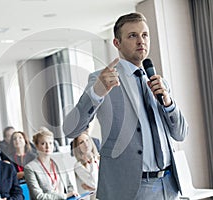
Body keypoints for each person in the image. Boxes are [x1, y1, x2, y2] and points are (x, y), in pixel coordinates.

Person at [63, 12, 188, 200]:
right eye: (132, 36)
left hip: (169, 184)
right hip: (132, 189)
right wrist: (96, 92)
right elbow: (71, 130)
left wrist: (168, 102)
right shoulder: (102, 79)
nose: (141, 41)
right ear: (117, 43)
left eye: (145, 35)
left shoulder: (158, 81)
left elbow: (180, 133)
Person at [24, 127, 78, 200]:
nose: (48, 146)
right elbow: (39, 197)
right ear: (36, 145)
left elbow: (69, 186)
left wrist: (73, 194)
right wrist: (65, 196)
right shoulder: (30, 168)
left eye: (50, 143)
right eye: (43, 143)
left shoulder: (59, 163)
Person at [72, 133, 99, 200]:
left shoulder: (98, 158)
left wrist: (94, 188)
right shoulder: (78, 166)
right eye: (81, 142)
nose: (85, 144)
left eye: (87, 140)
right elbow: (94, 183)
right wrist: (92, 161)